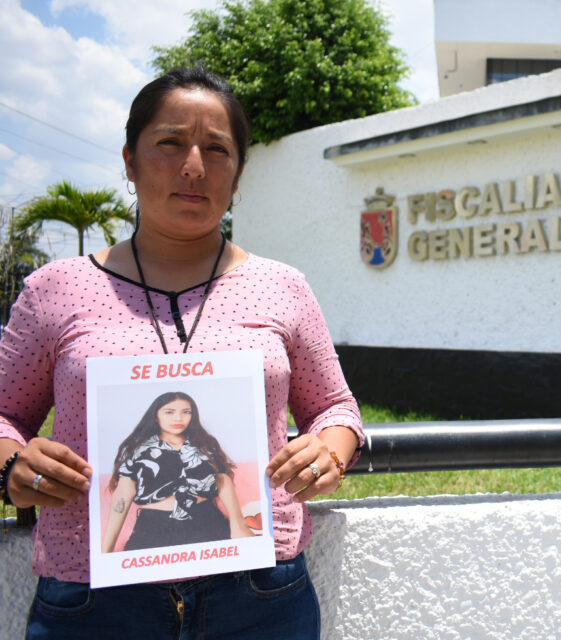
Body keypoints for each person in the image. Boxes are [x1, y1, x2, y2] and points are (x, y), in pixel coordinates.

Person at [0, 67, 363, 639]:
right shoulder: (56, 289)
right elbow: (4, 414)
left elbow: (335, 409)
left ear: (238, 174)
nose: (194, 166)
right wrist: (11, 466)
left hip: (259, 595)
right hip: (94, 598)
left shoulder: (283, 287)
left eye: (217, 150)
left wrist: (330, 454)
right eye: (170, 143)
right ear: (129, 161)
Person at [102, 391, 255, 553]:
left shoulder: (205, 444)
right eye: (169, 412)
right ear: (156, 416)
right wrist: (106, 550)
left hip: (207, 521)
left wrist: (238, 525)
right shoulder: (137, 448)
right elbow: (123, 493)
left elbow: (222, 479)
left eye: (186, 412)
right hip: (154, 528)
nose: (178, 418)